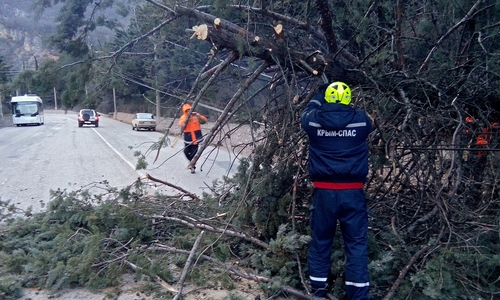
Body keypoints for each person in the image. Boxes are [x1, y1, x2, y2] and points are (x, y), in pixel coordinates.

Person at [300, 81, 372, 299]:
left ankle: (319, 291)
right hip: (353, 193)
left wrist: (318, 94)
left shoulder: (312, 121)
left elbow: (307, 111)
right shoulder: (362, 121)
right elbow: (371, 122)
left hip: (324, 193)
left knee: (321, 240)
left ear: (327, 99)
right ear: (349, 99)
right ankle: (358, 295)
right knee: (356, 244)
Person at [179, 103, 208, 173]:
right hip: (188, 139)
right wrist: (186, 119)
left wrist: (198, 116)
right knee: (186, 152)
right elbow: (181, 125)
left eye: (189, 110)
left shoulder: (196, 116)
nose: (189, 111)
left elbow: (204, 121)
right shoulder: (183, 118)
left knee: (194, 153)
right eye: (187, 110)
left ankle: (192, 167)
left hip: (196, 138)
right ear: (184, 111)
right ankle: (191, 164)